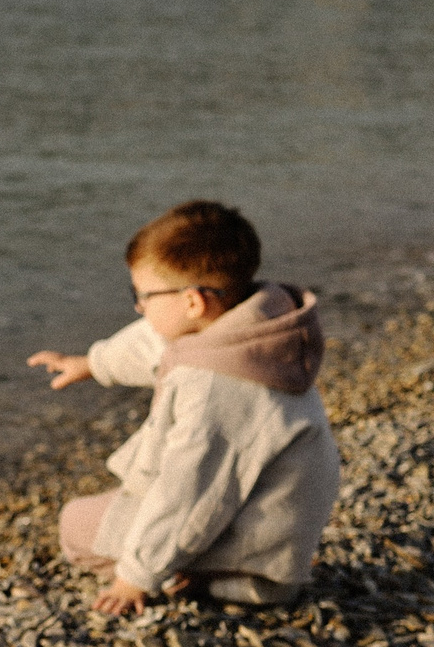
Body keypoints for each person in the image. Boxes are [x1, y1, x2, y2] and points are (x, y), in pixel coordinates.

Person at [27, 199, 340, 615]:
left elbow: (191, 494)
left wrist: (134, 578)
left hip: (255, 557)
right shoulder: (255, 328)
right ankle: (194, 565)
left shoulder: (219, 387)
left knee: (76, 526)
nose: (139, 307)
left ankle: (210, 579)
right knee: (125, 504)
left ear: (193, 303)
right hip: (273, 530)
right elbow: (159, 345)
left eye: (143, 296)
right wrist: (92, 364)